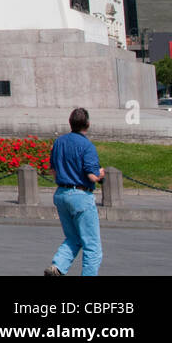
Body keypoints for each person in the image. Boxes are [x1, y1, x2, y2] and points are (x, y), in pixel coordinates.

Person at [45, 107, 105, 277]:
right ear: (88, 124)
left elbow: (53, 171)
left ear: (70, 123)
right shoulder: (87, 146)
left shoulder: (59, 142)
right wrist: (101, 174)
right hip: (80, 196)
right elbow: (92, 176)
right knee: (92, 247)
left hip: (61, 194)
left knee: (73, 238)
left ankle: (57, 267)